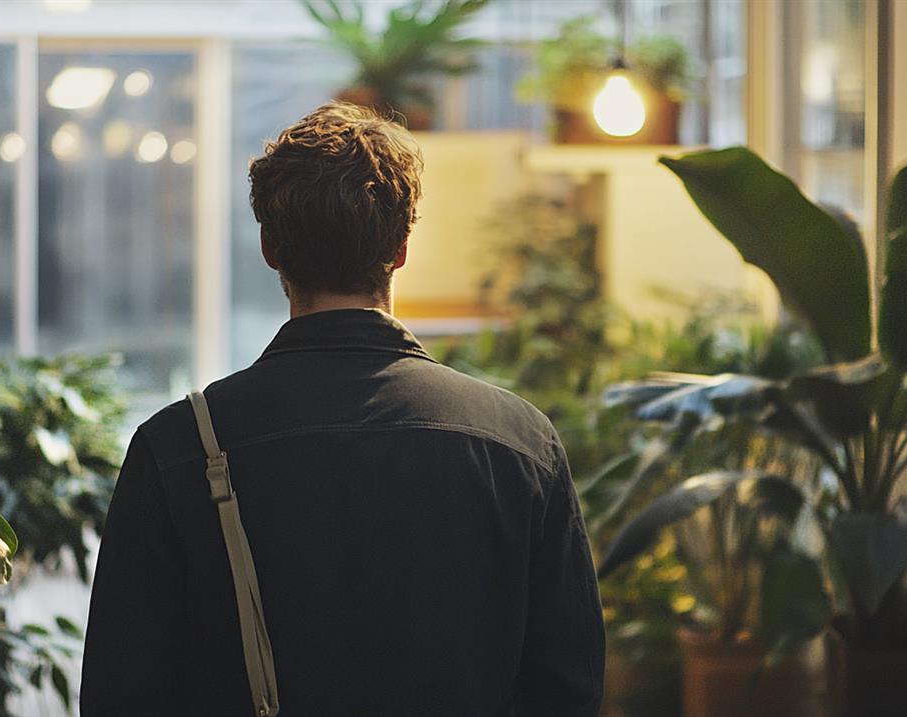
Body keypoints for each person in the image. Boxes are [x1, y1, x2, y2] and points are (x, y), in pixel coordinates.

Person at [81, 101, 604, 716]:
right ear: (402, 246)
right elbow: (567, 688)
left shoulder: (178, 448)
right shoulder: (518, 443)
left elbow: (122, 694)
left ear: (270, 247)